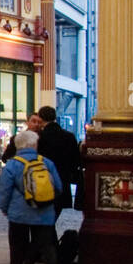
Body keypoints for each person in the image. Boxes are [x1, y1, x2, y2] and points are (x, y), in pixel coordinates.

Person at [0, 128, 64, 264]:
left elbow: (4, 190)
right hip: (44, 212)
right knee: (46, 244)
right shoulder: (46, 163)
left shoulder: (12, 165)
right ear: (34, 144)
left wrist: (4, 208)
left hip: (19, 213)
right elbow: (58, 187)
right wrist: (46, 201)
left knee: (17, 243)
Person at [37, 105, 82, 248]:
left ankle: (40, 254)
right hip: (62, 183)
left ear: (41, 118)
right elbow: (76, 162)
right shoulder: (69, 137)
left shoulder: (40, 138)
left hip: (43, 184)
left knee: (45, 220)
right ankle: (48, 252)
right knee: (50, 219)